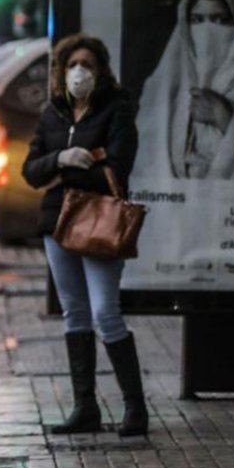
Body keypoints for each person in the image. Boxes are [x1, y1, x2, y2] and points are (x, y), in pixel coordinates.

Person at [22, 34, 146, 437]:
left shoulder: (117, 111)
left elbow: (119, 165)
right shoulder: (52, 114)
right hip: (56, 224)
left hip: (99, 224)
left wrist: (67, 171)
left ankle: (135, 408)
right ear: (61, 71)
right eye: (73, 64)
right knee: (74, 312)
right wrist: (60, 158)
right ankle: (85, 407)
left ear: (101, 70)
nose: (80, 72)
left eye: (88, 65)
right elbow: (30, 171)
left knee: (105, 313)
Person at [137, 0, 234, 179]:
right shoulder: (161, 86)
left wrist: (228, 121)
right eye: (197, 20)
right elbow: (144, 168)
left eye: (221, 20)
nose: (206, 31)